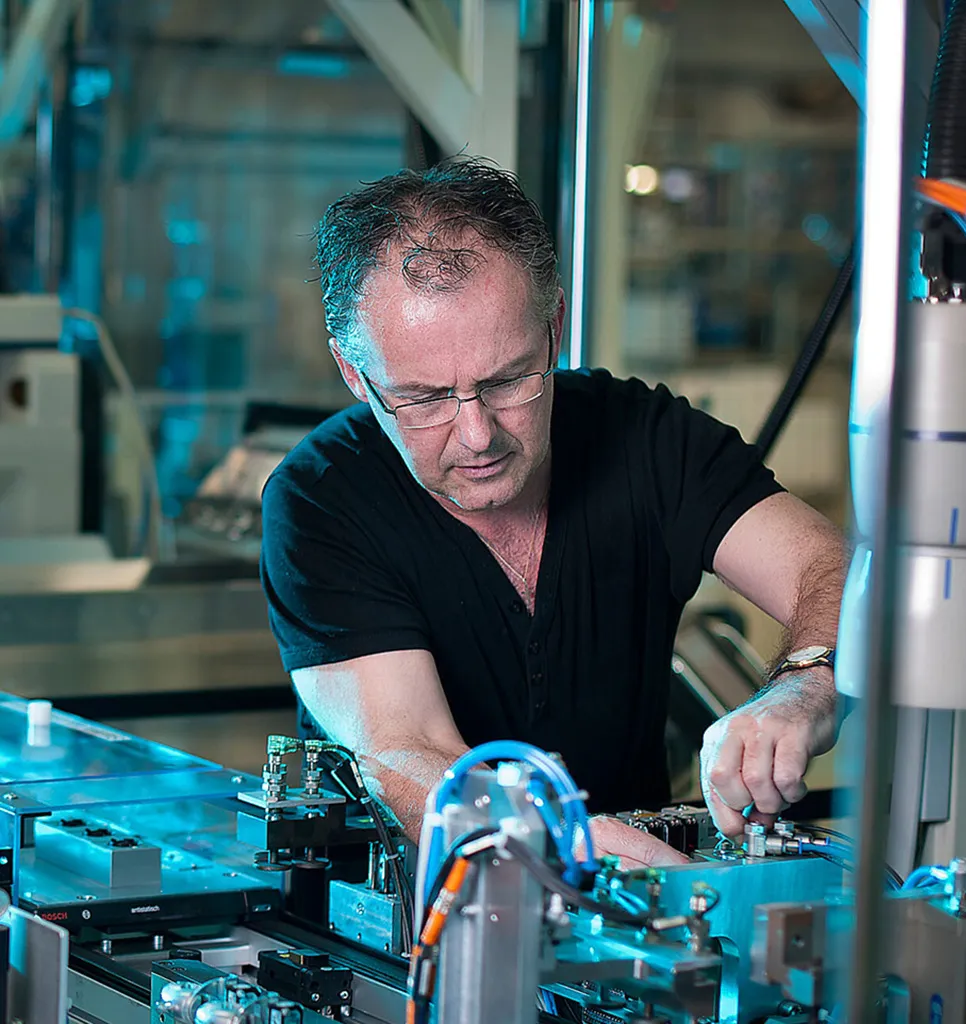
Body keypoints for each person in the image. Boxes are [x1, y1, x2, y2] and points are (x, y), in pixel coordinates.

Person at [260, 159, 847, 869]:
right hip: (424, 933)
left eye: (508, 380)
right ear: (356, 375)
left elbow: (826, 565)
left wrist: (804, 683)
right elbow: (402, 748)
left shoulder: (643, 436)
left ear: (554, 329)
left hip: (639, 927)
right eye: (424, 398)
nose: (477, 434)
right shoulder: (324, 496)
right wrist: (555, 843)